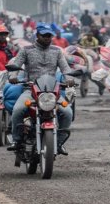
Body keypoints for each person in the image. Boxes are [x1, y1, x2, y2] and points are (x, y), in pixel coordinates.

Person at [6, 23, 74, 155]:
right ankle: (16, 140)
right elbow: (16, 65)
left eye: (49, 35)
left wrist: (69, 79)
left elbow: (65, 68)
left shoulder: (57, 51)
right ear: (37, 35)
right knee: (17, 110)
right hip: (30, 90)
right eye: (44, 35)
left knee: (68, 113)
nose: (48, 38)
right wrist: (13, 76)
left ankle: (59, 142)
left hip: (52, 92)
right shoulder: (26, 50)